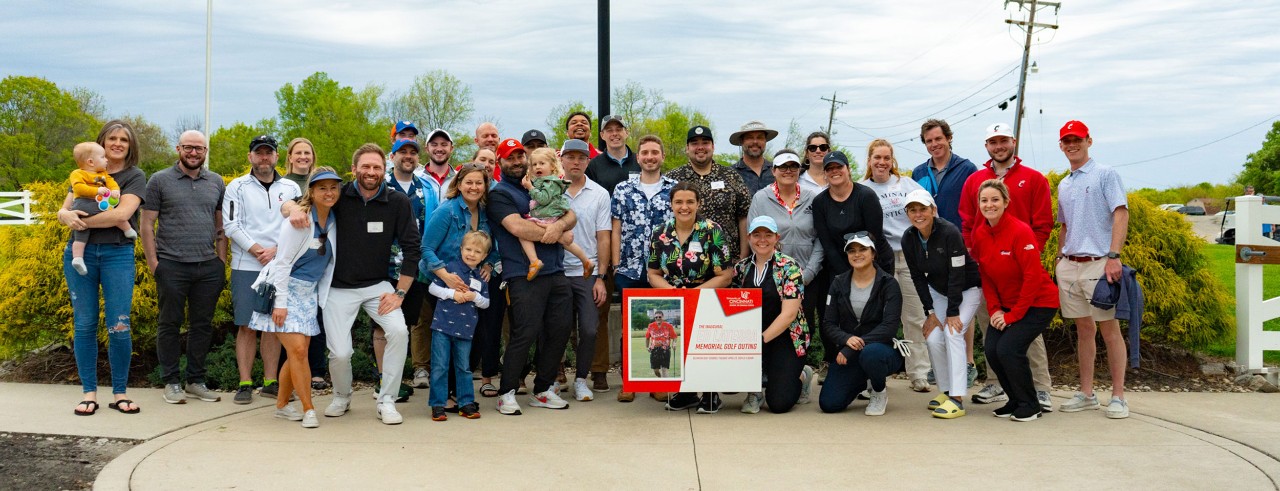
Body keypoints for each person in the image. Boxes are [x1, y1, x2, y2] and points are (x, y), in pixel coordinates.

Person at [284, 143, 420, 425]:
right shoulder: (338, 194)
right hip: (337, 287)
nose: (371, 172)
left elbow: (412, 249)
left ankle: (387, 400)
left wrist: (400, 293)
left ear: (386, 169)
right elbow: (300, 199)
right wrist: (291, 208)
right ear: (354, 169)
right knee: (341, 352)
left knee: (398, 331)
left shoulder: (397, 202)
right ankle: (342, 396)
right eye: (366, 167)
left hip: (377, 286)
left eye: (377, 167)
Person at [959, 123, 1055, 411]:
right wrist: (977, 253)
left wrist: (1027, 254)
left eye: (1003, 141)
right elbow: (966, 221)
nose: (998, 146)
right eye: (993, 142)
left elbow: (1042, 224)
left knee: (1026, 333)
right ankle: (997, 383)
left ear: (1013, 142)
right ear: (986, 146)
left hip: (1023, 268)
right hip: (989, 267)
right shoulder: (975, 180)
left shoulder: (1033, 179)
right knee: (993, 328)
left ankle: (1039, 388)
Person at [59, 120, 146, 416]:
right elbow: (65, 207)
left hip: (117, 254)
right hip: (79, 254)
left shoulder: (134, 176)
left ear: (130, 145)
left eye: (124, 139)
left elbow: (121, 214)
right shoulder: (84, 173)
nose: (118, 143)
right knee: (84, 325)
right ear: (102, 144)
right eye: (112, 138)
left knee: (119, 325)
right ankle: (89, 393)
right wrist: (63, 214)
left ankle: (120, 392)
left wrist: (78, 220)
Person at [487, 137, 577, 415]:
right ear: (500, 162)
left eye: (519, 156)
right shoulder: (500, 194)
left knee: (560, 330)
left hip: (556, 271)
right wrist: (553, 233)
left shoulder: (544, 183)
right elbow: (517, 228)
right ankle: (507, 391)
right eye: (509, 158)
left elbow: (571, 214)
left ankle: (542, 388)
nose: (516, 162)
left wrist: (559, 225)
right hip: (523, 275)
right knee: (524, 333)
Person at [250, 167, 342, 429]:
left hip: (309, 293)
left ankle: (280, 406)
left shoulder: (334, 219)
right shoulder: (299, 221)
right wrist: (280, 303)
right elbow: (282, 263)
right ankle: (308, 408)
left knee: (295, 354)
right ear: (311, 191)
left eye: (333, 187)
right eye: (322, 187)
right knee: (299, 350)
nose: (328, 192)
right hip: (285, 289)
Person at [141, 130, 227, 405]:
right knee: (169, 325)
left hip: (207, 267)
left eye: (199, 149)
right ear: (178, 148)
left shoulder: (215, 182)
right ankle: (171, 382)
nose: (193, 153)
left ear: (205, 152)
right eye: (188, 147)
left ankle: (195, 381)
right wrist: (154, 263)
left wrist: (221, 261)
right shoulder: (160, 180)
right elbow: (146, 224)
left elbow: (220, 225)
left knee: (202, 326)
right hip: (172, 265)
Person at [1053, 120, 1132, 419]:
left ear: (1089, 141)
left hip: (1100, 263)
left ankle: (1119, 396)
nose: (1072, 144)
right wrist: (1060, 257)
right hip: (1071, 265)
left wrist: (1114, 256)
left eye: (1077, 139)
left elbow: (1120, 214)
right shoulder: (1065, 183)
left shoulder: (1105, 174)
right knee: (1084, 330)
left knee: (1109, 330)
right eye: (1066, 140)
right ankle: (1087, 394)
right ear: (1061, 145)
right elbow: (1065, 224)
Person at [970, 179, 1060, 422]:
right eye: (984, 200)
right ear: (979, 204)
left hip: (1039, 303)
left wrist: (1013, 315)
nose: (989, 204)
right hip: (1007, 305)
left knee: (1009, 349)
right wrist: (996, 309)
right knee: (992, 349)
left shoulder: (1020, 230)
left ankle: (1031, 405)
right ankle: (1015, 400)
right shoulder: (980, 234)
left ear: (1006, 202)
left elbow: (1032, 277)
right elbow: (986, 276)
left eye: (995, 199)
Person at [223, 135, 301, 404]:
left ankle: (270, 381)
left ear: (277, 156)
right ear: (250, 157)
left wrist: (277, 251)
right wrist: (258, 250)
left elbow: (299, 224)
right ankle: (245, 382)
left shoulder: (290, 187)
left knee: (272, 325)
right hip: (247, 263)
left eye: (269, 152)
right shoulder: (237, 187)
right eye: (259, 152)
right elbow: (232, 225)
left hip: (280, 263)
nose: (264, 157)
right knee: (246, 326)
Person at [648, 182, 735, 413]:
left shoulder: (711, 230)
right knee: (681, 346)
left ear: (698, 204)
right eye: (678, 202)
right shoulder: (660, 233)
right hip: (674, 295)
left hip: (707, 295)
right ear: (671, 204)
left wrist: (695, 295)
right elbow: (653, 273)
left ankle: (710, 393)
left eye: (689, 202)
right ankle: (686, 393)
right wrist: (673, 294)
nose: (684, 207)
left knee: (705, 347)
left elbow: (726, 275)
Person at [419, 164, 501, 398]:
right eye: (469, 182)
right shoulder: (448, 211)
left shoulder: (486, 212)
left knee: (473, 338)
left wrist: (488, 264)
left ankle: (457, 392)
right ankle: (444, 395)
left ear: (485, 186)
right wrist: (446, 276)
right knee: (446, 342)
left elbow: (493, 247)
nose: (474, 187)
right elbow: (426, 248)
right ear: (459, 184)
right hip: (442, 282)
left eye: (479, 183)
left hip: (473, 284)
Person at [900, 190, 982, 419]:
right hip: (938, 293)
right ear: (907, 213)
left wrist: (953, 312)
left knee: (953, 333)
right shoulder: (908, 238)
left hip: (967, 290)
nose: (918, 214)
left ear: (933, 210)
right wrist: (930, 312)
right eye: (912, 210)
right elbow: (917, 277)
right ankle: (946, 392)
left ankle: (957, 399)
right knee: (933, 336)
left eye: (923, 209)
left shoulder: (949, 232)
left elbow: (957, 273)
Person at [857, 139, 930, 392]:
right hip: (878, 261)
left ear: (892, 161)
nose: (882, 162)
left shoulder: (906, 185)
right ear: (869, 161)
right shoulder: (861, 189)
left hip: (910, 257)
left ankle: (919, 372)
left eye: (886, 158)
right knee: (875, 318)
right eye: (877, 157)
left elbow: (930, 214)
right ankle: (872, 376)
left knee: (915, 317)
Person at [746, 149, 823, 386]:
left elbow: (821, 239)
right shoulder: (761, 198)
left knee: (798, 328)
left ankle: (797, 373)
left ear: (799, 169)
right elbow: (754, 236)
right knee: (769, 322)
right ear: (774, 171)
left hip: (807, 276)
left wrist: (806, 275)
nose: (788, 170)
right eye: (783, 167)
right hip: (770, 277)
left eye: (793, 166)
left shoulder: (813, 197)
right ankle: (768, 373)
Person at [609, 135, 677, 402]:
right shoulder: (623, 189)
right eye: (645, 152)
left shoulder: (673, 189)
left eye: (655, 152)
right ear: (638, 157)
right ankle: (629, 381)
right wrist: (615, 265)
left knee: (660, 329)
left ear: (662, 157)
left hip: (662, 271)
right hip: (629, 269)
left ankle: (658, 382)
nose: (650, 157)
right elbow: (615, 228)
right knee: (631, 328)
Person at [812, 150, 892, 368]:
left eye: (839, 167)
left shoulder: (865, 196)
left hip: (872, 262)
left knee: (869, 313)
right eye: (830, 169)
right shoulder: (820, 202)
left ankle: (870, 363)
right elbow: (826, 241)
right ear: (825, 174)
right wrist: (844, 276)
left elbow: (873, 235)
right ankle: (832, 362)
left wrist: (863, 271)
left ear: (848, 169)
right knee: (832, 314)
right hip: (836, 266)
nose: (835, 172)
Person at [732, 216, 812, 414]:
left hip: (784, 337)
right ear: (749, 237)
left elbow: (789, 314)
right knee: (728, 385)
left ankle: (802, 375)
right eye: (757, 234)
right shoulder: (741, 269)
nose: (762, 239)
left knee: (779, 403)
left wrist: (760, 341)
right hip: (751, 336)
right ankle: (755, 390)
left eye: (768, 235)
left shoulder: (790, 267)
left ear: (777, 237)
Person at [818, 232, 904, 416]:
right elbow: (828, 323)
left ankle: (878, 390)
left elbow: (889, 327)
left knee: (871, 354)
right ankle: (863, 380)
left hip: (882, 350)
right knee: (829, 404)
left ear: (873, 254)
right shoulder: (838, 282)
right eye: (852, 251)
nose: (857, 254)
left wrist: (851, 347)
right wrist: (846, 339)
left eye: (863, 249)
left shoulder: (888, 284)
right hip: (851, 349)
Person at [560, 140, 611, 402]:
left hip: (587, 271)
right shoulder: (550, 191)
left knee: (589, 329)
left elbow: (604, 237)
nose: (576, 162)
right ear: (562, 160)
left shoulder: (600, 194)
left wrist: (601, 277)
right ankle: (552, 380)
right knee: (557, 329)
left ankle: (581, 379)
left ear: (588, 161)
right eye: (570, 157)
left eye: (581, 157)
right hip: (557, 271)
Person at [279, 137, 330, 390]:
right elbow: (284, 207)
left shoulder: (322, 181)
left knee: (314, 325)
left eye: (307, 152)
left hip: (316, 268)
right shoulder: (284, 184)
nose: (303, 157)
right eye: (297, 152)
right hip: (289, 262)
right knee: (288, 331)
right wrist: (293, 208)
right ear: (289, 157)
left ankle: (317, 370)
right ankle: (286, 384)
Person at [426, 230, 492, 421]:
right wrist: (452, 294)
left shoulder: (481, 277)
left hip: (465, 330)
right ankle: (438, 404)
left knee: (464, 367)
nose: (471, 254)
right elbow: (432, 288)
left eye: (477, 252)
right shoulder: (449, 269)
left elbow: (486, 303)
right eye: (468, 249)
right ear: (461, 249)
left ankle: (466, 403)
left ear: (485, 256)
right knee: (440, 366)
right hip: (442, 327)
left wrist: (474, 297)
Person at [667, 126, 752, 260]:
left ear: (713, 146)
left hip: (728, 260)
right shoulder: (672, 179)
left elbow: (744, 216)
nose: (700, 147)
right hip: (684, 261)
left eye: (705, 143)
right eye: (694, 143)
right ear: (687, 148)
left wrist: (743, 256)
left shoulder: (731, 176)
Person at [519, 148, 594, 280]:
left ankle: (534, 261)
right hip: (549, 215)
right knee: (565, 241)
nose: (537, 167)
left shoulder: (550, 182)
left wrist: (530, 188)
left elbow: (543, 199)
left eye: (542, 163)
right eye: (534, 164)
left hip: (548, 215)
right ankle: (586, 261)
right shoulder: (543, 181)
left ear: (553, 165)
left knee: (523, 234)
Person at [67, 142, 135, 275]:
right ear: (91, 162)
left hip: (95, 204)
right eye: (103, 157)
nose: (106, 160)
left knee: (81, 231)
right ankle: (127, 229)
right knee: (113, 214)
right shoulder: (77, 173)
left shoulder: (103, 173)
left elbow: (112, 183)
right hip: (84, 203)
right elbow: (78, 188)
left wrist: (115, 191)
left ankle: (78, 259)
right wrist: (97, 190)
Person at [911, 119, 977, 229]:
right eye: (929, 141)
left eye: (938, 139)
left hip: (958, 239)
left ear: (949, 138)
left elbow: (976, 208)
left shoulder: (967, 169)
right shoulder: (918, 173)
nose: (934, 144)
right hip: (928, 239)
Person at [586, 115, 639, 195]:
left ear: (627, 133)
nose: (614, 134)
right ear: (602, 135)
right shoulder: (594, 165)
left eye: (619, 129)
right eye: (609, 130)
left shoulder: (640, 161)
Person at [729, 120, 779, 195]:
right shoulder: (730, 174)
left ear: (765, 141)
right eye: (750, 138)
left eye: (760, 138)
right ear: (742, 141)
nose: (755, 142)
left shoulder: (778, 171)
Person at [645, 310, 677, 378]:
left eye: (660, 317)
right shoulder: (650, 326)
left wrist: (674, 343)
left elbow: (674, 337)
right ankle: (660, 379)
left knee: (664, 369)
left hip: (665, 350)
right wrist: (647, 347)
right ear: (654, 318)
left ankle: (665, 385)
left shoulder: (669, 326)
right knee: (656, 371)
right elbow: (647, 337)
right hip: (654, 350)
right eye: (656, 317)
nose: (658, 318)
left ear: (663, 317)